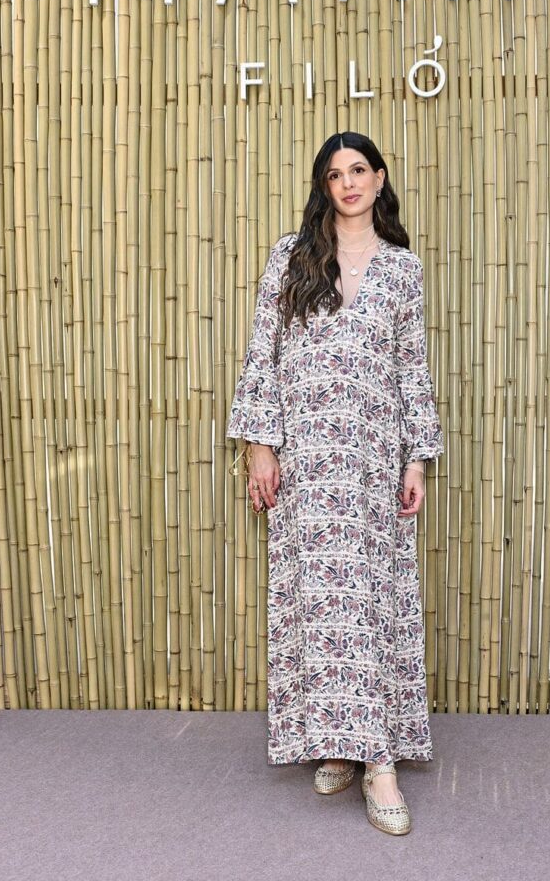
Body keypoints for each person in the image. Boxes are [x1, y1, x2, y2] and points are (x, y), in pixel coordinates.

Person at [226, 131, 445, 836]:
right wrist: (260, 446)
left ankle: (378, 763)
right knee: (320, 605)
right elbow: (262, 353)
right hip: (308, 464)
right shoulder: (291, 257)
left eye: (357, 170)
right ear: (324, 187)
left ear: (379, 179)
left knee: (369, 604)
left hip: (373, 462)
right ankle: (338, 744)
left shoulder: (402, 269)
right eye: (333, 174)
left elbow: (411, 366)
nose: (347, 183)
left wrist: (416, 460)